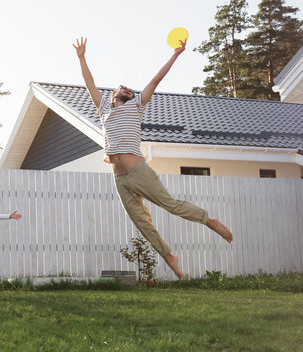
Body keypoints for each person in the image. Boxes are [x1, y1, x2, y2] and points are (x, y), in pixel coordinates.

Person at [72, 37, 233, 280]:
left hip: (139, 172)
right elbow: (89, 82)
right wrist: (82, 57)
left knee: (170, 205)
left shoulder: (137, 105)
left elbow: (156, 79)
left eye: (130, 89)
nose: (128, 90)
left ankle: (209, 220)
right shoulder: (104, 107)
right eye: (123, 88)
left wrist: (176, 54)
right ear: (114, 95)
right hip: (120, 179)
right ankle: (169, 257)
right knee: (142, 223)